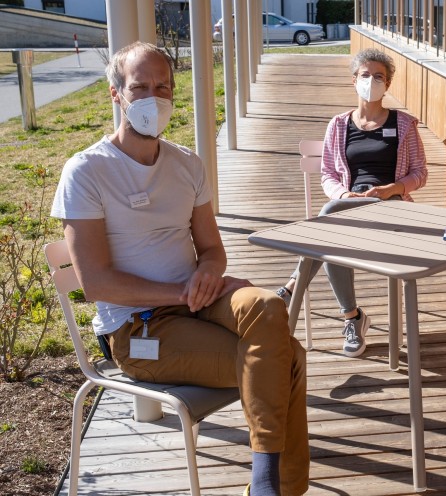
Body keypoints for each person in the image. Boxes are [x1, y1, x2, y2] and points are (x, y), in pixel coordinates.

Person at [50, 42, 308, 496]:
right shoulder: (87, 171)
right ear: (117, 94)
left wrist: (209, 272)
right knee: (287, 357)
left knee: (267, 305)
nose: (153, 97)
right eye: (140, 87)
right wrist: (187, 292)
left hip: (196, 301)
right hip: (137, 329)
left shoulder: (187, 163)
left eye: (163, 86)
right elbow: (96, 284)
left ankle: (268, 486)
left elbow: (211, 249)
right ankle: (274, 486)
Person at [275, 48, 428, 358]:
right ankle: (352, 317)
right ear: (354, 80)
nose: (372, 81)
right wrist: (345, 195)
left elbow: (420, 173)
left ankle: (293, 287)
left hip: (392, 208)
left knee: (330, 218)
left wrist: (392, 188)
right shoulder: (339, 124)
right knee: (334, 225)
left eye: (379, 76)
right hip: (349, 208)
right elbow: (329, 174)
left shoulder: (404, 124)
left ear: (388, 83)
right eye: (365, 75)